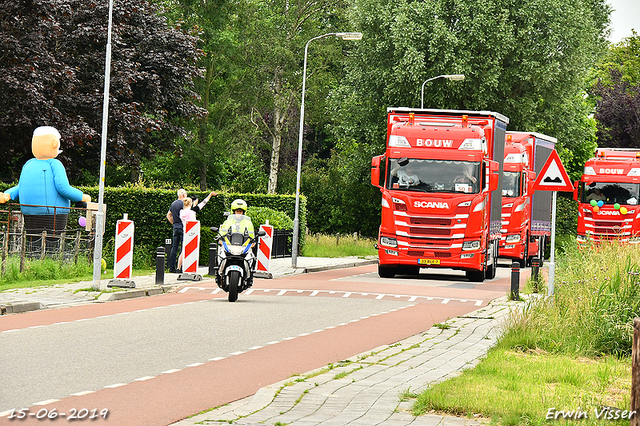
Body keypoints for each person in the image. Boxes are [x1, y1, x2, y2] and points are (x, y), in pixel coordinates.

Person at [177, 191, 217, 271]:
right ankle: (190, 266)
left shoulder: (181, 212)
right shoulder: (193, 211)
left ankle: (179, 267)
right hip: (193, 231)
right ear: (190, 204)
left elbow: (190, 210)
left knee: (184, 250)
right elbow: (203, 203)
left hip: (185, 230)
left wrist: (193, 204)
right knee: (192, 249)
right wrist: (210, 195)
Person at [167, 188, 187, 273]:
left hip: (175, 227)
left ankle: (171, 267)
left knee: (174, 247)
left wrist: (174, 223)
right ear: (183, 195)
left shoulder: (173, 204)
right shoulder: (185, 203)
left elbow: (168, 215)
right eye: (185, 194)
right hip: (183, 226)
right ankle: (181, 266)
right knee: (183, 247)